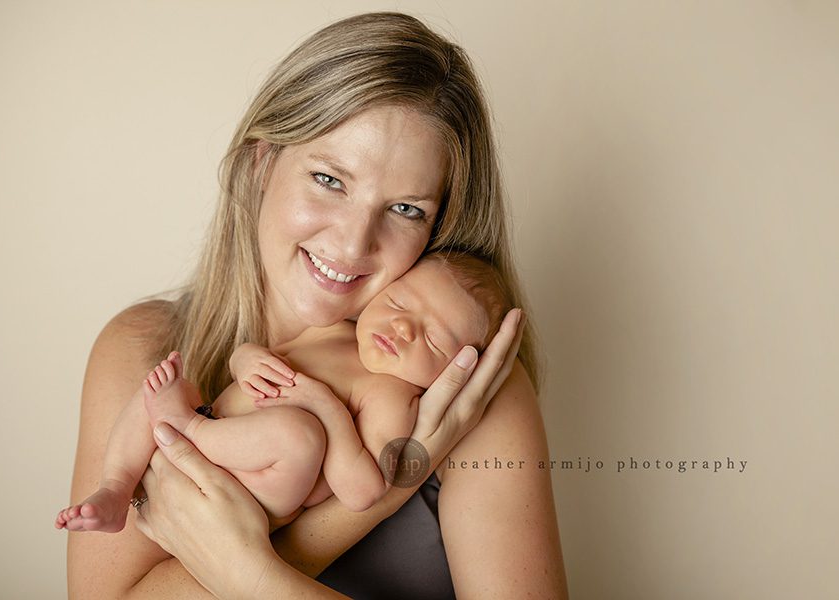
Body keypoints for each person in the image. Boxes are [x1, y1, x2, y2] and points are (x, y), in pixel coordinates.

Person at [66, 11, 568, 599]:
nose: (354, 243)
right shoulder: (145, 347)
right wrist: (400, 479)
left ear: (438, 227)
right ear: (261, 163)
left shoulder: (464, 387)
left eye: (406, 209)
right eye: (330, 179)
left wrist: (247, 568)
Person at [57, 252, 512, 533]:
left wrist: (327, 407)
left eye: (433, 339)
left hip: (259, 492)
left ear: (456, 370)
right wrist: (245, 361)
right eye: (399, 303)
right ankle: (115, 490)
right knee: (161, 390)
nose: (403, 328)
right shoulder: (330, 328)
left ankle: (186, 426)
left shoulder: (393, 398)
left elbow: (361, 491)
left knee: (300, 435)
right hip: (216, 427)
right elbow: (255, 355)